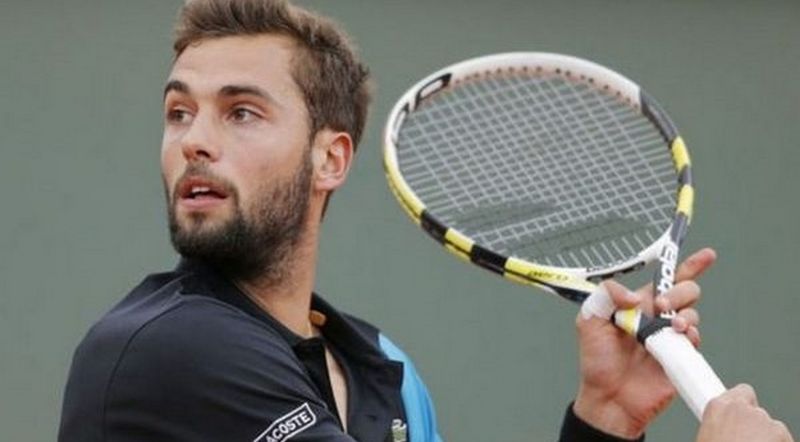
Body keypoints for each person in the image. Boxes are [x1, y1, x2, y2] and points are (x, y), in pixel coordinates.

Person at [56, 0, 788, 441]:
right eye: (178, 112)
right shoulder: (165, 352)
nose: (194, 140)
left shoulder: (388, 372)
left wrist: (604, 418)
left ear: (330, 159)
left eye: (241, 112)